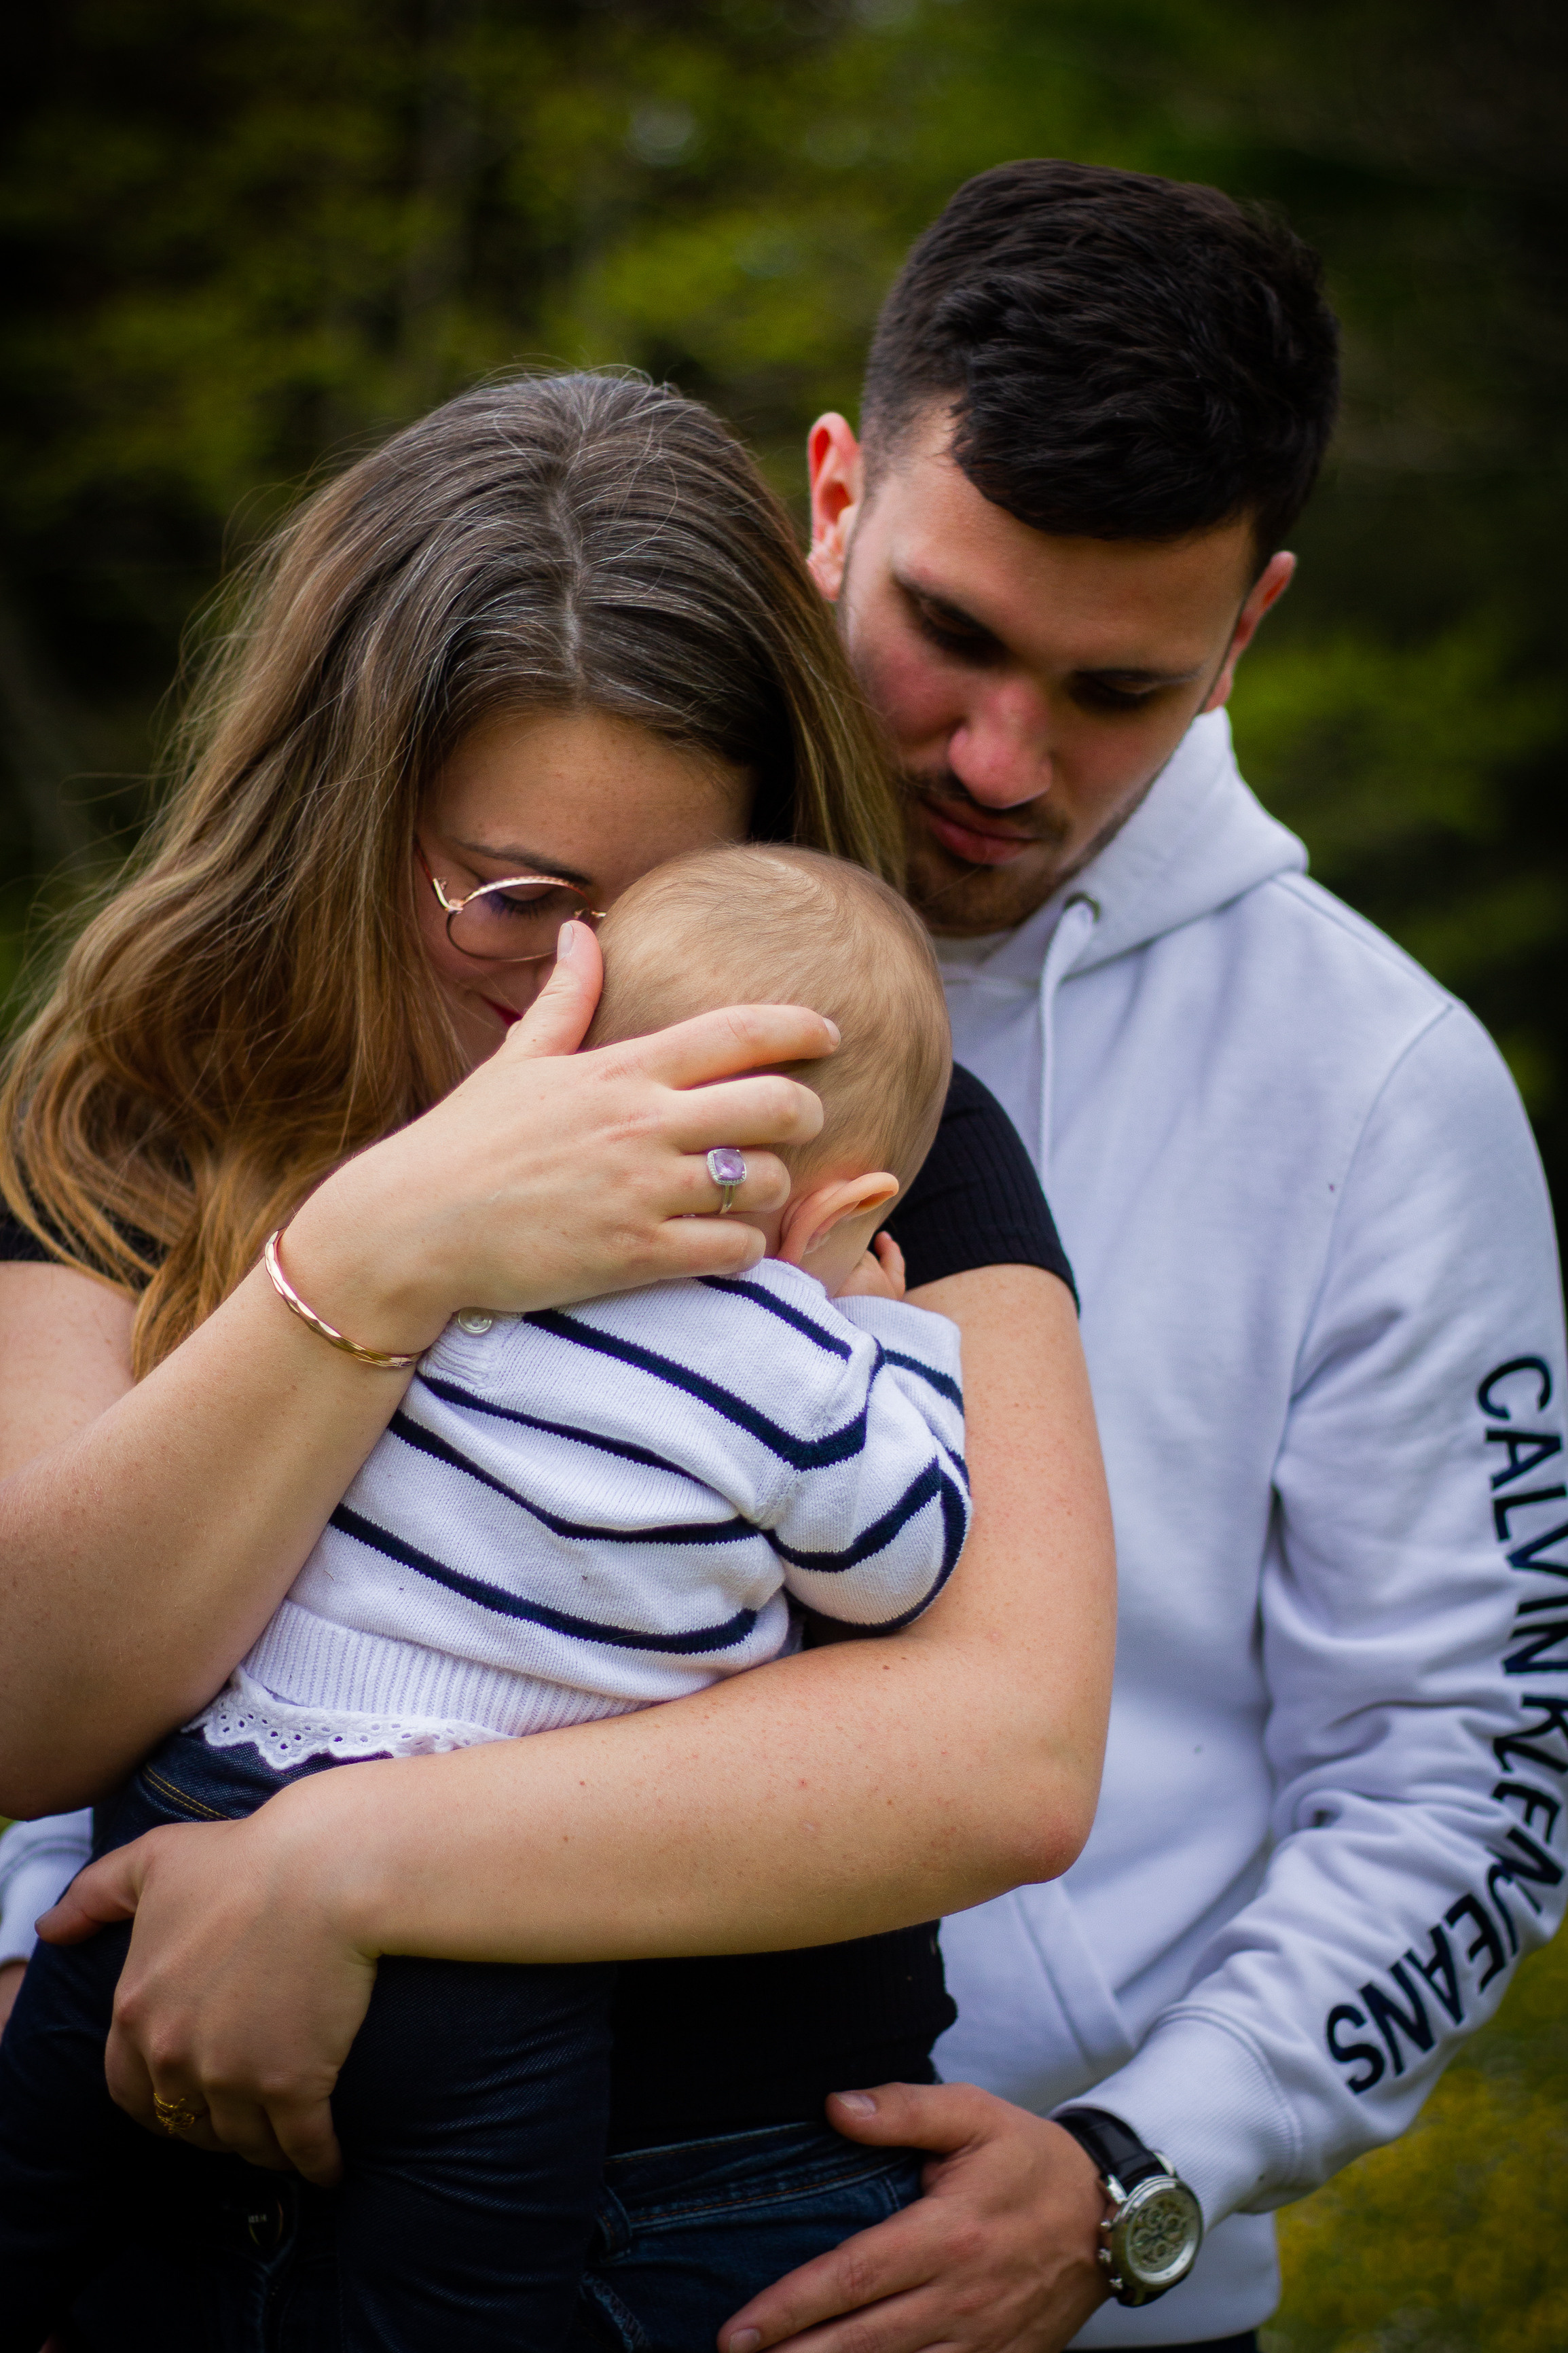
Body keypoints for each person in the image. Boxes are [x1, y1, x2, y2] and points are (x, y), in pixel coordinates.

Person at [0, 371, 1113, 2348]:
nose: (583, 1012)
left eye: (663, 910)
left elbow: (1004, 1754)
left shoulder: (853, 1146)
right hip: (146, 2219)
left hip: (710, 2217)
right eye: (516, 907)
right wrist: (382, 1250)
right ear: (341, 820)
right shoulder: (132, 1114)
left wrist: (342, 1859)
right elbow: (27, 1698)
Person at [707, 159, 1568, 2352]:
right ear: (836, 491)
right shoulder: (550, 892)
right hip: (452, 2226)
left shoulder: (1380, 1083)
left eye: (1118, 686)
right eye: (955, 634)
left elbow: (1476, 1768)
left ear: (1250, 624)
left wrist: (1138, 2169)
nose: (1005, 759)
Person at [0, 840, 972, 2352]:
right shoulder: (803, 1367)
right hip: (492, 1932)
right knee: (457, 2297)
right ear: (848, 1203)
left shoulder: (458, 1257)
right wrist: (893, 1341)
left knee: (34, 2193)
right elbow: (900, 1563)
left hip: (196, 1808)